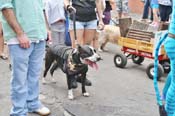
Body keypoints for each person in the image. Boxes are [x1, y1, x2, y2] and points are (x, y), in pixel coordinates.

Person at [0, 0, 51, 116]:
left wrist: (46, 29)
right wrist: (20, 33)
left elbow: (41, 8)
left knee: (34, 74)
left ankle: (32, 103)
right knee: (20, 77)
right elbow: (5, 7)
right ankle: (18, 111)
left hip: (39, 35)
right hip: (19, 37)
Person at [64, 0, 104, 86]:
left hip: (91, 19)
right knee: (76, 48)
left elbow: (98, 2)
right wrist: (68, 6)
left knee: (87, 50)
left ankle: (82, 76)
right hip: (76, 17)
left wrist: (100, 20)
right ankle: (72, 75)